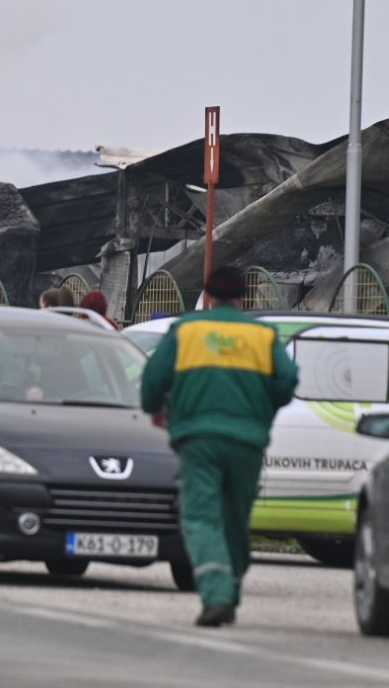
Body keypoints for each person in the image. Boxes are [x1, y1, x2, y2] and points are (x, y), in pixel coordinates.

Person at [139, 266, 297, 628]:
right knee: (236, 515)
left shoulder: (186, 331)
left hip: (198, 438)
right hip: (247, 441)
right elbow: (287, 381)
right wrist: (262, 409)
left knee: (201, 515)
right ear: (244, 299)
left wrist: (156, 408)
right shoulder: (262, 335)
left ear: (207, 297)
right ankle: (232, 586)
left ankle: (216, 594)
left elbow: (152, 380)